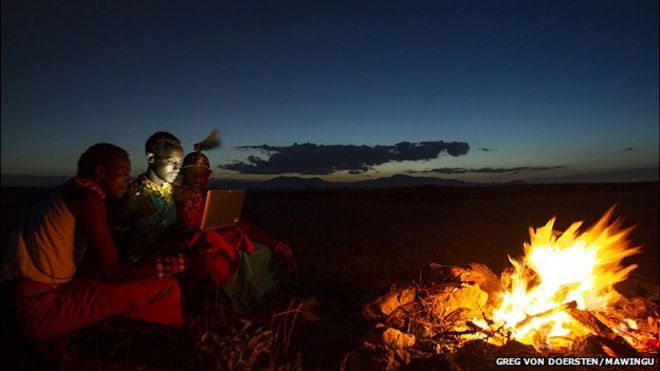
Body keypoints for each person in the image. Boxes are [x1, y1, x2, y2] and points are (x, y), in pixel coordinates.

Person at [0, 143, 191, 357]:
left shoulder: (67, 192)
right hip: (37, 309)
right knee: (166, 286)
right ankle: (169, 347)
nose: (128, 180)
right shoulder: (87, 199)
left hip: (23, 296)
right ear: (100, 172)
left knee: (121, 278)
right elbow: (113, 273)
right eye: (123, 173)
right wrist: (174, 265)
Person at [173, 138, 298, 310]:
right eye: (192, 173)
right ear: (182, 174)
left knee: (261, 251)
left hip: (217, 241)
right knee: (227, 258)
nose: (197, 178)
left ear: (208, 176)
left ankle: (260, 293)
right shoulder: (175, 197)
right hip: (194, 248)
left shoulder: (210, 199)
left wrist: (276, 245)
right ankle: (229, 301)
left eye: (203, 173)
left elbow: (240, 223)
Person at [110, 131, 185, 262]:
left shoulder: (177, 193)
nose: (177, 168)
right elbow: (116, 245)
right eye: (171, 161)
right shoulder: (131, 197)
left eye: (180, 162)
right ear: (151, 158)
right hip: (143, 267)